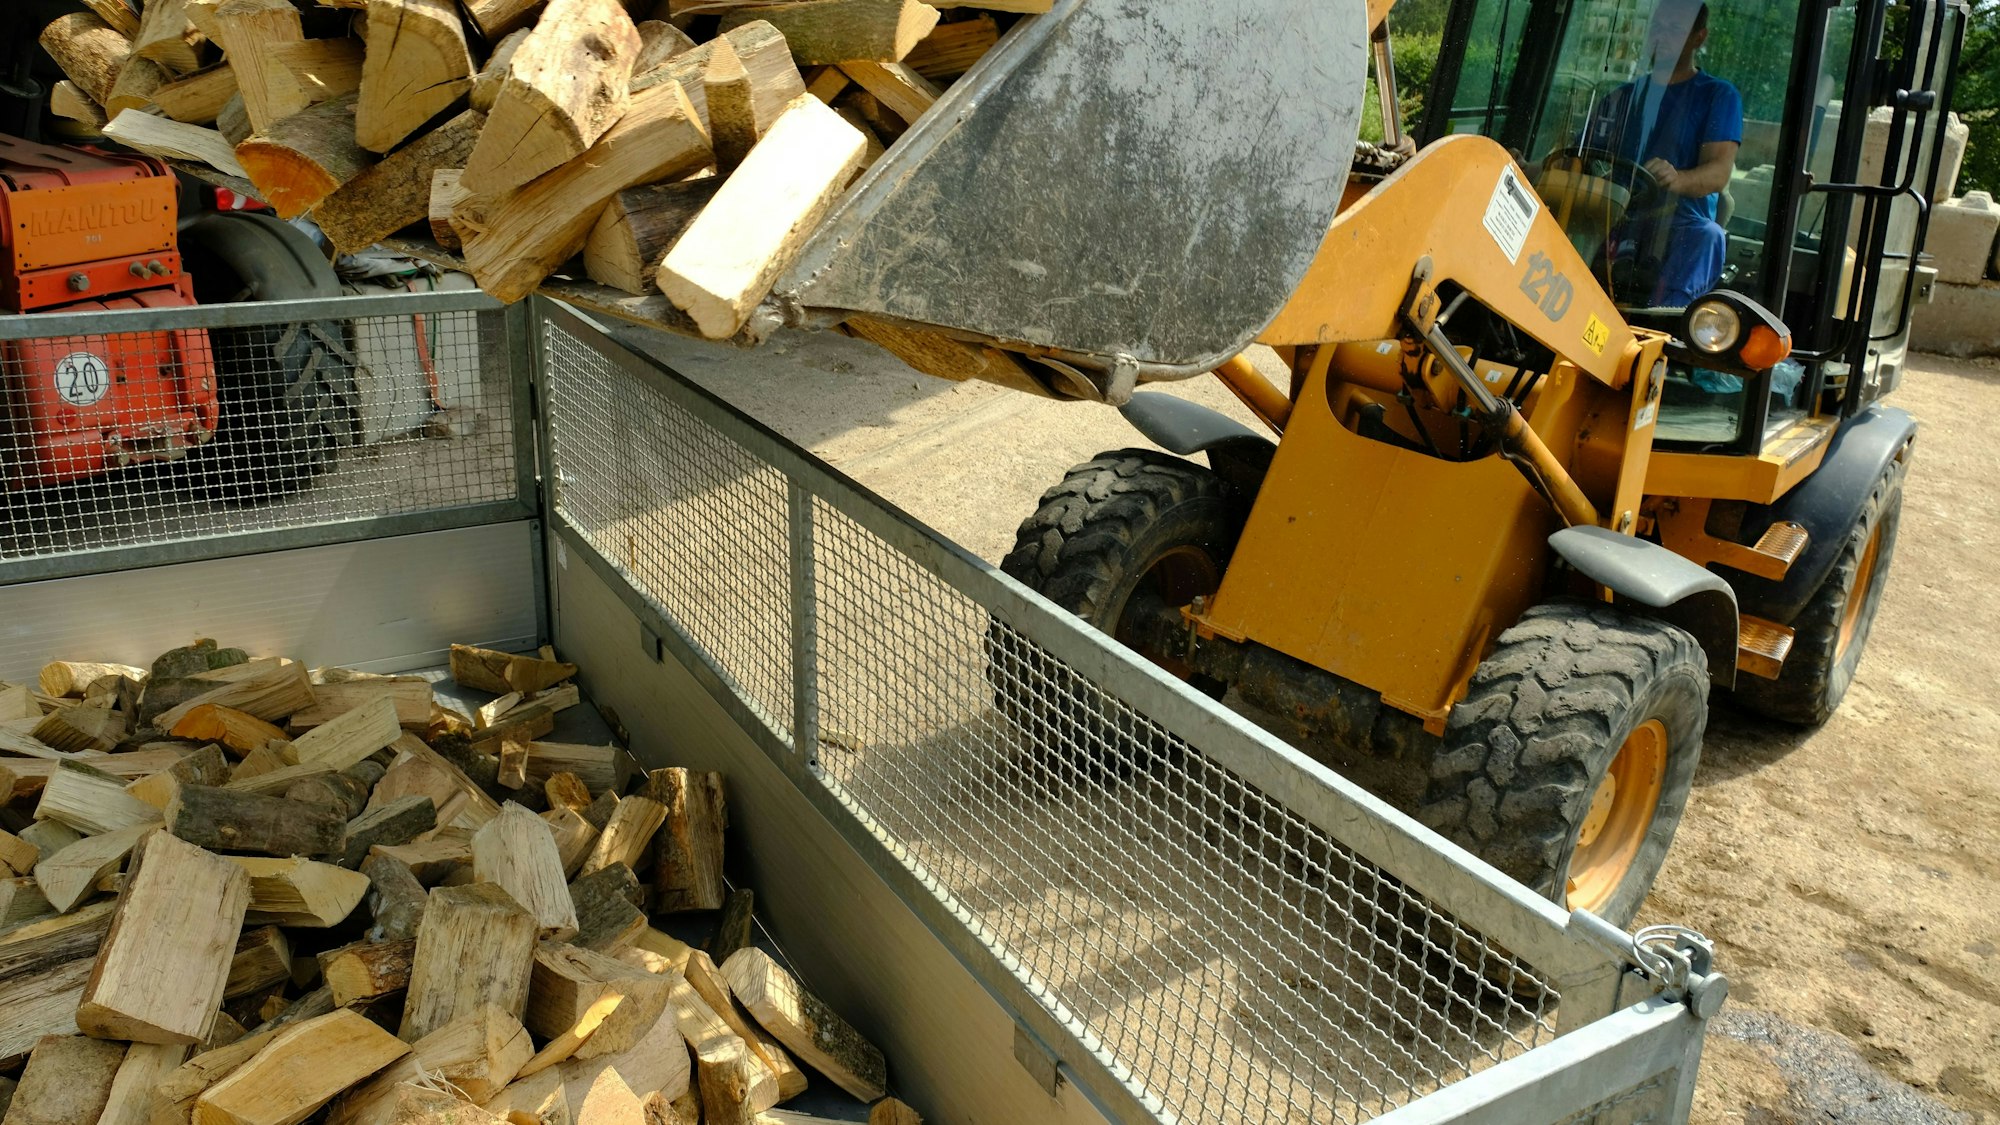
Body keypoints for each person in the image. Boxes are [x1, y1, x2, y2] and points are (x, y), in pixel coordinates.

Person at [1582, 1, 1743, 307]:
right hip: (1613, 215)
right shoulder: (1622, 97)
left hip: (1677, 224)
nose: (1661, 35)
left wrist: (1676, 177)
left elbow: (1719, 172)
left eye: (1674, 29)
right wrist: (1522, 166)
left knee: (1709, 235)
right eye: (1657, 27)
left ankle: (1666, 323)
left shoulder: (1717, 96)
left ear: (1699, 37)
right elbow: (1577, 155)